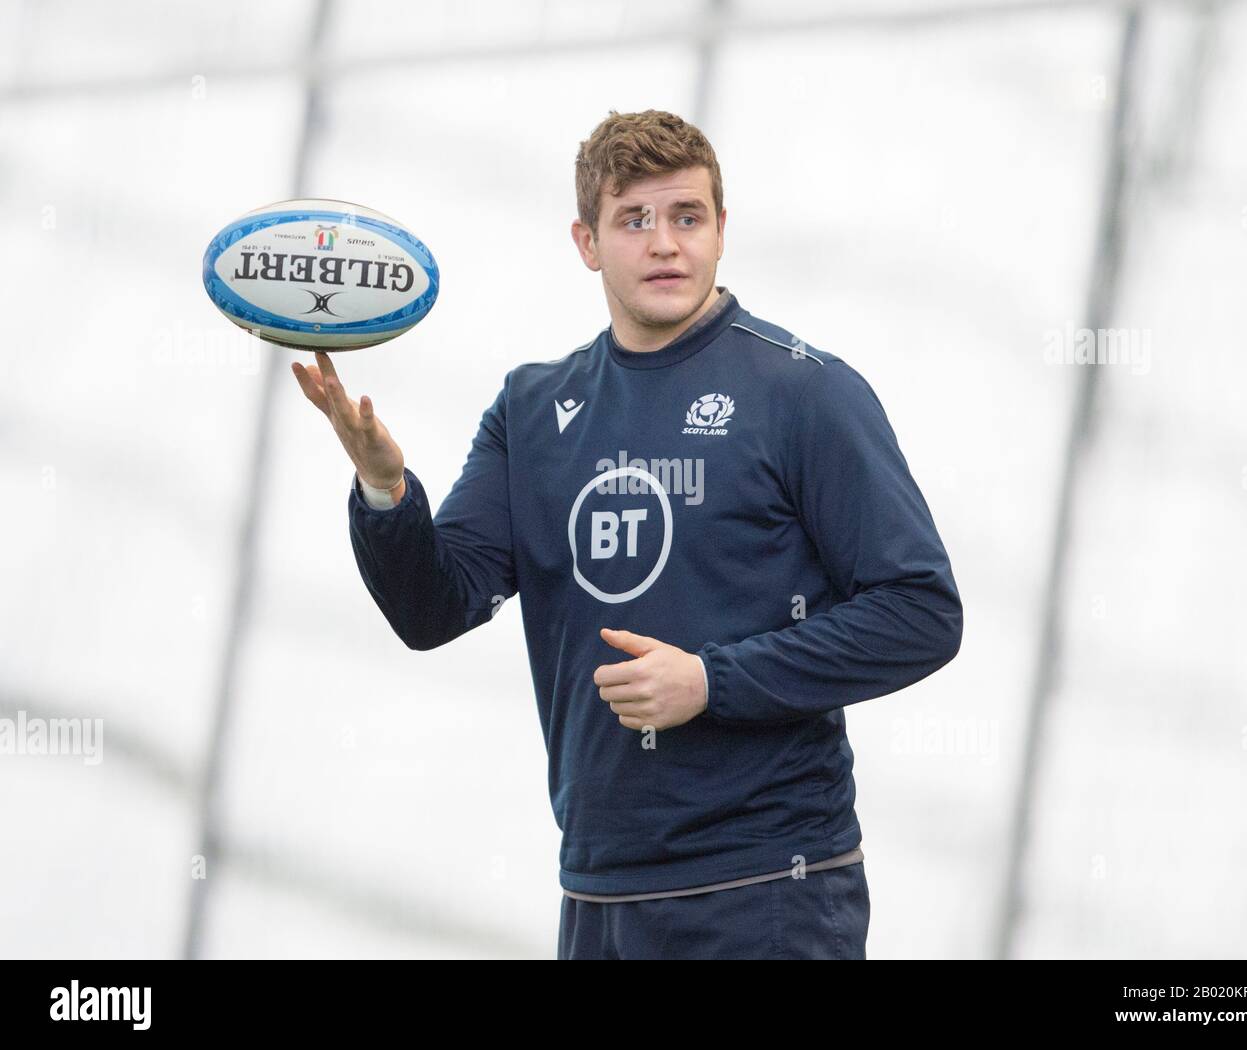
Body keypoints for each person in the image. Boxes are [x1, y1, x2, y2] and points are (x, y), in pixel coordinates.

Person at [291, 109, 962, 960]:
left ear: (722, 230)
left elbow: (920, 611)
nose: (664, 244)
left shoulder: (805, 393)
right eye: (633, 220)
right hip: (600, 895)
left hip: (768, 892)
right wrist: (385, 486)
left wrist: (712, 682)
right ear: (586, 241)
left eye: (687, 217)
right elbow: (435, 608)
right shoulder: (533, 412)